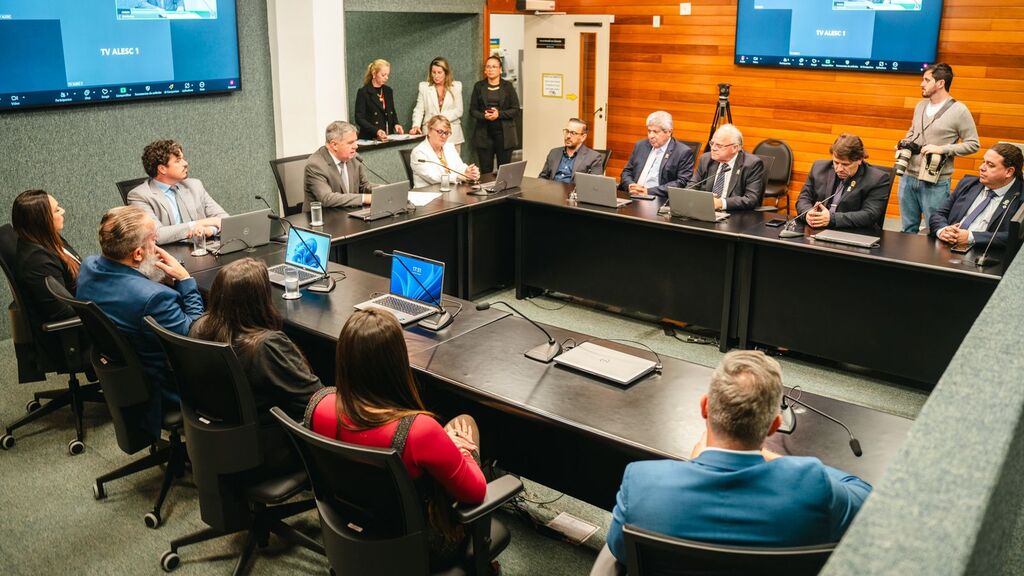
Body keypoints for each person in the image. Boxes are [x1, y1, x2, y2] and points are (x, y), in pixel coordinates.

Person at [591, 350, 872, 575]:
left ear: (704, 407)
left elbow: (620, 550)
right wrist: (773, 459)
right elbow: (867, 500)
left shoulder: (641, 482)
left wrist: (697, 460)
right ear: (774, 425)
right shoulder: (814, 486)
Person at [306, 308, 486, 571]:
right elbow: (476, 492)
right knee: (466, 424)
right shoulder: (420, 431)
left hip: (347, 531)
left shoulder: (319, 404)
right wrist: (461, 451)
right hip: (420, 548)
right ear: (397, 362)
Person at [77, 206, 204, 436]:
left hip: (127, 373)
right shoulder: (153, 298)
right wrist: (186, 281)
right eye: (154, 239)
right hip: (167, 385)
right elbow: (194, 336)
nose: (157, 247)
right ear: (137, 254)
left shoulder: (88, 267)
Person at [190, 258, 323, 469]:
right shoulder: (265, 346)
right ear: (260, 299)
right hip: (271, 446)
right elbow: (316, 400)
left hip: (223, 439)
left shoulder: (198, 328)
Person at [898, 63, 980, 234]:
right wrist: (904, 143)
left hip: (935, 181)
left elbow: (973, 144)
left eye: (927, 80)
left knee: (935, 231)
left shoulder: (959, 110)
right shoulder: (920, 106)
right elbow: (913, 132)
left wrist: (943, 149)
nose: (922, 84)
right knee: (907, 229)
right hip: (908, 177)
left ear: (940, 83)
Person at [10, 190, 82, 365]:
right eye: (57, 210)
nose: (63, 211)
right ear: (42, 220)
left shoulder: (49, 239)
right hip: (73, 335)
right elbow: (62, 311)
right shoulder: (37, 261)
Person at [127, 139, 229, 245]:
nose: (185, 163)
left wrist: (210, 230)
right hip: (167, 254)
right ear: (162, 169)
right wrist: (200, 223)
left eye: (183, 158)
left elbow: (224, 219)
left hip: (200, 248)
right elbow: (156, 235)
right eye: (178, 160)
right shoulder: (139, 196)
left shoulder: (194, 185)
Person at [930, 142, 1023, 250]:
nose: (981, 168)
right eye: (984, 162)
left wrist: (971, 237)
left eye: (990, 165)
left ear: (1009, 171)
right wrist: (943, 230)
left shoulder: (1020, 196)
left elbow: (1016, 237)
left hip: (985, 254)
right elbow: (939, 214)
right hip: (947, 247)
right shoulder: (968, 184)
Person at [795, 133, 891, 230]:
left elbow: (870, 215)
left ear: (860, 159)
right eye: (836, 162)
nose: (839, 169)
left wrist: (832, 219)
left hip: (853, 233)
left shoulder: (878, 179)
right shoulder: (818, 168)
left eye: (845, 164)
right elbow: (803, 198)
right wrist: (807, 213)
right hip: (817, 229)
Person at [618, 111, 695, 199]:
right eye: (649, 131)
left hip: (657, 199)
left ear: (669, 132)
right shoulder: (640, 145)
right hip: (632, 196)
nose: (651, 136)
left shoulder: (682, 152)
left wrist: (648, 191)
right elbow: (627, 171)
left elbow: (682, 182)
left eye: (655, 132)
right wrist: (630, 185)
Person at [689, 124, 765, 211]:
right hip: (706, 211)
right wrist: (702, 197)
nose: (713, 148)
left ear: (735, 148)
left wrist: (721, 203)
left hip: (734, 214)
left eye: (719, 146)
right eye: (712, 143)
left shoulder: (752, 164)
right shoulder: (706, 159)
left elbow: (751, 199)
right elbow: (691, 186)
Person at [304, 120, 373, 211]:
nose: (356, 146)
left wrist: (384, 190)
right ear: (334, 145)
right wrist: (365, 199)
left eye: (355, 141)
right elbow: (327, 198)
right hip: (324, 219)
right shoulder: (315, 165)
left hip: (349, 214)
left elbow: (364, 186)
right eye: (350, 143)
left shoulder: (354, 158)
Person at [470, 55, 520, 175]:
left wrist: (499, 114)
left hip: (504, 135)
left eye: (494, 66)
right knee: (485, 171)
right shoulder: (478, 86)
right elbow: (473, 110)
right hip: (484, 134)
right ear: (485, 70)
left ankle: (503, 193)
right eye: (488, 66)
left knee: (503, 171)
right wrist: (484, 116)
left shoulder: (508, 86)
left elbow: (515, 109)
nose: (491, 69)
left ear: (500, 70)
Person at [409, 57, 466, 152]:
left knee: (453, 166)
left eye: (439, 72)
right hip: (431, 133)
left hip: (452, 135)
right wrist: (416, 125)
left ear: (446, 73)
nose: (436, 76)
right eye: (433, 72)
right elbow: (419, 109)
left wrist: (437, 119)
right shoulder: (424, 87)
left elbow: (459, 111)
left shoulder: (456, 86)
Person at [410, 115, 481, 188]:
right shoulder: (419, 152)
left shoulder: (449, 147)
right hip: (428, 195)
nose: (444, 136)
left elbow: (460, 167)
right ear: (429, 131)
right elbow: (433, 178)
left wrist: (470, 171)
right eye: (440, 132)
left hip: (451, 192)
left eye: (446, 133)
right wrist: (460, 176)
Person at [538, 118, 605, 183]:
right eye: (567, 131)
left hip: (574, 193)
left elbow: (595, 186)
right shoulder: (554, 152)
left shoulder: (593, 157)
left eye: (573, 133)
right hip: (551, 192)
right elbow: (542, 178)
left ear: (583, 137)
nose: (568, 136)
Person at [354, 59, 404, 142]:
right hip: (370, 137)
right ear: (374, 73)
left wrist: (396, 124)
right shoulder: (364, 92)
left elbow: (392, 112)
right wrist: (376, 131)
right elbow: (359, 118)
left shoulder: (388, 91)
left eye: (387, 75)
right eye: (383, 75)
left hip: (387, 136)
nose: (386, 78)